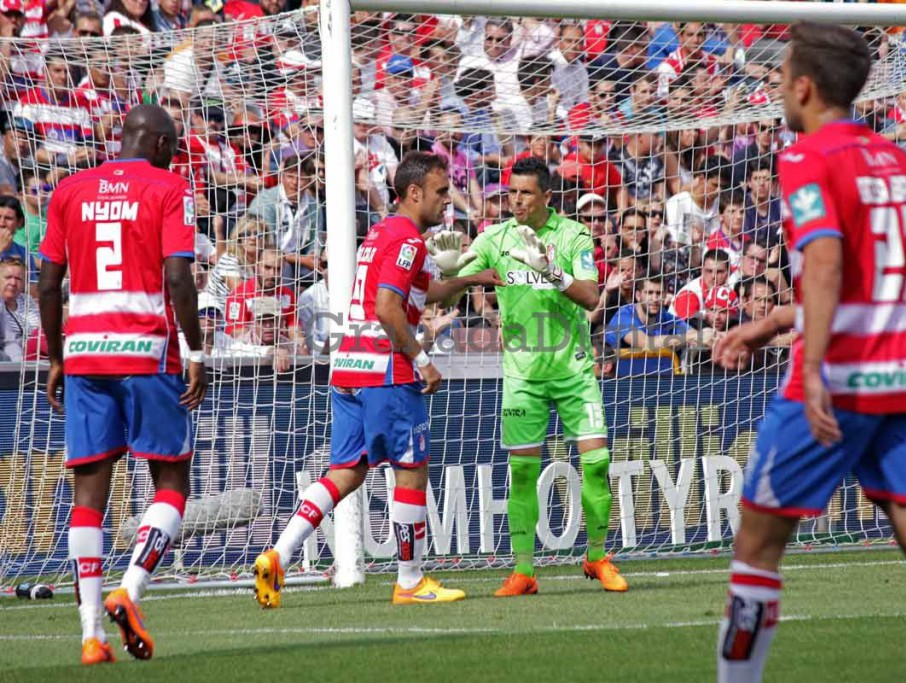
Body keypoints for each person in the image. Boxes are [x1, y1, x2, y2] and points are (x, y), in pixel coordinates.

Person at [713, 24, 906, 683]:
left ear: (802, 87)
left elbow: (827, 264)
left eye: (780, 80)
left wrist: (808, 365)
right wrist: (770, 320)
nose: (777, 90)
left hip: (839, 377)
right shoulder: (894, 159)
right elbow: (870, 279)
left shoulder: (806, 157)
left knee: (756, 546)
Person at [253, 152, 502, 608]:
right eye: (441, 192)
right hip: (387, 369)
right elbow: (389, 307)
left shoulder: (384, 232)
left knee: (345, 473)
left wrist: (475, 277)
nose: (448, 201)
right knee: (412, 467)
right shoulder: (408, 241)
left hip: (349, 365)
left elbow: (426, 290)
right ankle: (410, 581)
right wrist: (422, 358)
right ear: (414, 193)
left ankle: (279, 555)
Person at [37, 104, 208, 665]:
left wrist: (57, 355)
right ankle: (128, 589)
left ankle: (90, 635)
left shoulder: (70, 189)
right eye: (175, 145)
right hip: (146, 351)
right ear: (159, 144)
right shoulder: (168, 188)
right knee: (173, 481)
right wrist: (196, 350)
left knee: (89, 495)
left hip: (85, 355)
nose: (176, 154)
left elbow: (46, 284)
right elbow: (179, 277)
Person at [441, 156, 628, 596]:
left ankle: (597, 557)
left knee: (597, 464)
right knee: (523, 473)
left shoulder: (573, 234)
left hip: (574, 370)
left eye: (525, 193)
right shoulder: (496, 237)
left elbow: (589, 296)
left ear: (547, 196)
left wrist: (550, 270)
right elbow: (456, 276)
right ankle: (523, 571)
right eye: (511, 193)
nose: (516, 201)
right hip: (523, 374)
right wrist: (448, 266)